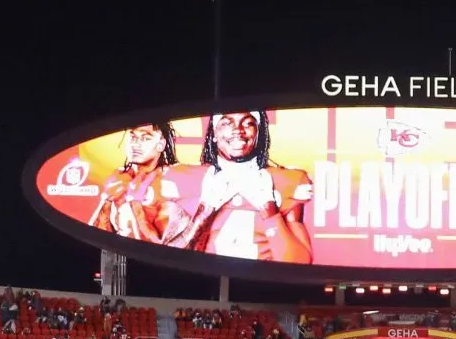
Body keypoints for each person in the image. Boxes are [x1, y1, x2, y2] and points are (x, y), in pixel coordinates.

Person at [180, 111, 313, 262]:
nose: (237, 129)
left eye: (248, 123)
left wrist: (270, 212)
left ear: (258, 132)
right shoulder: (186, 178)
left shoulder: (287, 181)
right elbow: (172, 262)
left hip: (263, 283)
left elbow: (300, 262)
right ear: (214, 134)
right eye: (226, 123)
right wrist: (204, 212)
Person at [89, 122, 190, 245]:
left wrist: (135, 203)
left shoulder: (172, 179)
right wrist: (107, 202)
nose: (136, 144)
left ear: (160, 144)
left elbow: (160, 250)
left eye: (145, 138)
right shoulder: (119, 176)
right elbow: (98, 240)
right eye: (133, 137)